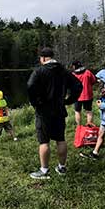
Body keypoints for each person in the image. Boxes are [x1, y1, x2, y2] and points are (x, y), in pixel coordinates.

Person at [27, 47, 82, 178]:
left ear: (44, 58)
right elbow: (78, 85)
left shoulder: (39, 71)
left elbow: (30, 86)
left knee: (44, 141)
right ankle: (62, 168)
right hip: (59, 109)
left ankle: (44, 171)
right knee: (60, 139)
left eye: (41, 58)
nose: (40, 61)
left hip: (43, 111)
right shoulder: (63, 71)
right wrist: (69, 101)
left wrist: (35, 103)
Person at [71, 60, 97, 125]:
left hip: (77, 97)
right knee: (89, 111)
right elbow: (93, 81)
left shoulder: (73, 75)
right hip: (88, 96)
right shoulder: (87, 72)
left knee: (77, 111)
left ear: (74, 66)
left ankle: (79, 127)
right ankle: (89, 126)